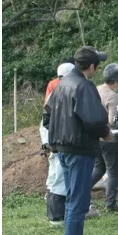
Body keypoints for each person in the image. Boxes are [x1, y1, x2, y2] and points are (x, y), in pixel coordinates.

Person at [43, 46, 111, 235]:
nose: (97, 69)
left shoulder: (61, 84)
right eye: (97, 65)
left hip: (62, 149)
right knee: (77, 203)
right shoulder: (84, 86)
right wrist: (106, 133)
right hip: (79, 150)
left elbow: (47, 115)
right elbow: (93, 120)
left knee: (74, 200)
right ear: (91, 67)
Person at [41, 61, 75, 225]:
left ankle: (58, 214)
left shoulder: (55, 92)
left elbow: (45, 121)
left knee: (56, 177)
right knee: (58, 179)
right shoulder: (63, 92)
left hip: (54, 141)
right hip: (58, 143)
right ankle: (56, 217)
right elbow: (47, 121)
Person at [92, 63, 118, 213]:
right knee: (113, 170)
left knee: (99, 168)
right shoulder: (112, 96)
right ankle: (110, 204)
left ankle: (80, 193)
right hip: (108, 137)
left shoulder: (95, 89)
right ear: (117, 80)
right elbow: (112, 120)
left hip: (94, 136)